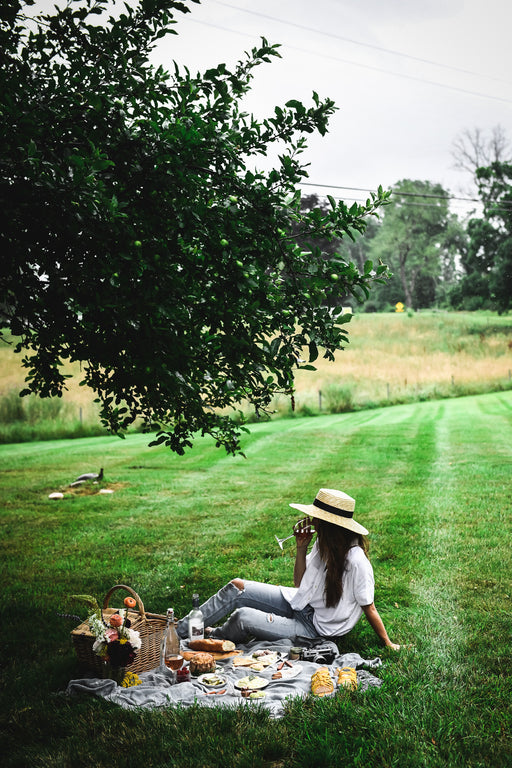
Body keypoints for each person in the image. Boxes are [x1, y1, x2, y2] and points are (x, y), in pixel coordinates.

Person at [176, 488, 400, 650]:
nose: (312, 520)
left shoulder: (357, 562)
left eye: (317, 517)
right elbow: (300, 584)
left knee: (243, 617)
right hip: (299, 603)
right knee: (237, 587)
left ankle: (213, 636)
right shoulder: (325, 544)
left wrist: (388, 643)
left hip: (315, 628)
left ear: (331, 525)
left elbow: (369, 607)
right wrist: (301, 549)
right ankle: (177, 631)